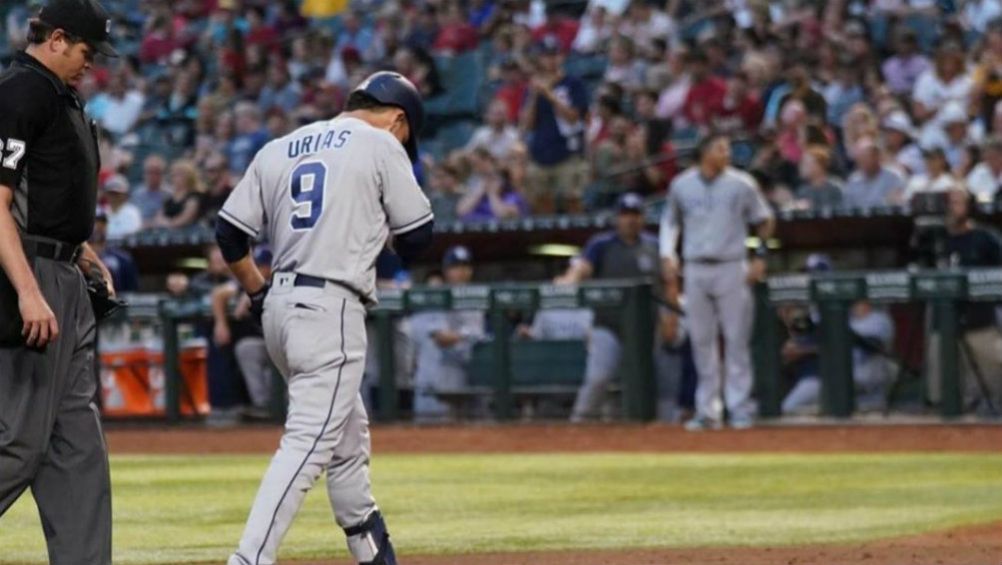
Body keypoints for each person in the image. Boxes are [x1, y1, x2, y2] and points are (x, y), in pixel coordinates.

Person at [215, 71, 433, 565]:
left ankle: (371, 551)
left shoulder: (279, 147)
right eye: (407, 132)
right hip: (330, 308)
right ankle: (248, 559)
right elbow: (419, 239)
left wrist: (257, 291)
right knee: (307, 445)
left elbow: (229, 235)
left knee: (348, 440)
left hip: (281, 311)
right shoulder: (381, 145)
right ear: (398, 118)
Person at [0, 1, 119, 563]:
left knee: (78, 448)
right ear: (58, 39)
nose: (90, 65)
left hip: (63, 272)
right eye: (86, 52)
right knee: (19, 443)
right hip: (28, 274)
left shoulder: (55, 93)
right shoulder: (21, 90)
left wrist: (84, 251)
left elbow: (45, 194)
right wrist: (28, 290)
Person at [660, 133, 775, 430]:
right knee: (701, 341)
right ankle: (708, 410)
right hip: (695, 267)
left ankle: (739, 407)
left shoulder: (742, 183)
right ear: (704, 153)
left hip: (731, 265)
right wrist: (667, 253)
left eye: (727, 148)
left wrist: (760, 256)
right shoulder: (682, 184)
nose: (726, 153)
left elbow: (764, 219)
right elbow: (670, 220)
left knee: (736, 339)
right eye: (720, 148)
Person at [560, 193, 681, 423]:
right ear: (617, 218)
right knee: (598, 377)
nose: (630, 220)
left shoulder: (654, 246)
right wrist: (570, 279)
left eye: (635, 214)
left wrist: (671, 318)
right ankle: (579, 422)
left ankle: (656, 432)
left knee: (654, 382)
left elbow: (670, 282)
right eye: (625, 214)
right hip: (608, 324)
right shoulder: (601, 244)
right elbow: (582, 267)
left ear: (643, 218)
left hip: (646, 328)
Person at [410, 246, 486, 420]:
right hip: (433, 375)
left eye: (465, 266)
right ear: (446, 271)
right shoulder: (435, 297)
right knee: (426, 433)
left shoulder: (477, 299)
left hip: (463, 374)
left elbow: (476, 336)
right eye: (455, 266)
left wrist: (461, 335)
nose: (461, 271)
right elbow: (442, 338)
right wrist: (466, 335)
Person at [520, 38, 589, 214]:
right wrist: (535, 96)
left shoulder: (573, 83)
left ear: (561, 57)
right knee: (541, 201)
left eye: (554, 55)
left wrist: (549, 95)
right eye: (545, 56)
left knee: (572, 200)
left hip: (567, 151)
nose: (550, 60)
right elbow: (528, 125)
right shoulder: (533, 88)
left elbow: (574, 117)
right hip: (540, 152)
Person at [211, 246, 275, 420]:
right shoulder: (248, 281)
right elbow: (219, 293)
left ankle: (283, 406)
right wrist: (220, 324)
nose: (258, 269)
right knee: (246, 348)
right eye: (256, 265)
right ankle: (263, 405)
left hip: (286, 343)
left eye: (262, 265)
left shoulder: (281, 278)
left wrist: (253, 296)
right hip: (265, 342)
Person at [842, 137, 907, 209]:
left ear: (877, 156)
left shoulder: (893, 177)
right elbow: (847, 209)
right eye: (860, 158)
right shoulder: (853, 181)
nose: (862, 161)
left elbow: (898, 206)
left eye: (866, 157)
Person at [130, 153, 171, 226]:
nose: (153, 176)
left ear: (163, 174)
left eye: (157, 172)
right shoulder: (137, 194)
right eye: (149, 172)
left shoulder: (169, 194)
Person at [102, 174, 143, 239]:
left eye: (117, 194)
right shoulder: (101, 212)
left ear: (125, 195)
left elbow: (132, 234)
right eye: (111, 193)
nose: (113, 196)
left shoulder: (132, 212)